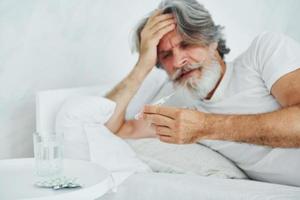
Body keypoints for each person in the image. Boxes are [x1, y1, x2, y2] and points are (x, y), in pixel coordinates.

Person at [105, 0, 300, 148]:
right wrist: (142, 66)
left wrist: (205, 126)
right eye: (165, 55)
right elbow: (109, 129)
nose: (178, 61)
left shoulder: (263, 52)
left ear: (212, 40)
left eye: (186, 44)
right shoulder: (179, 109)